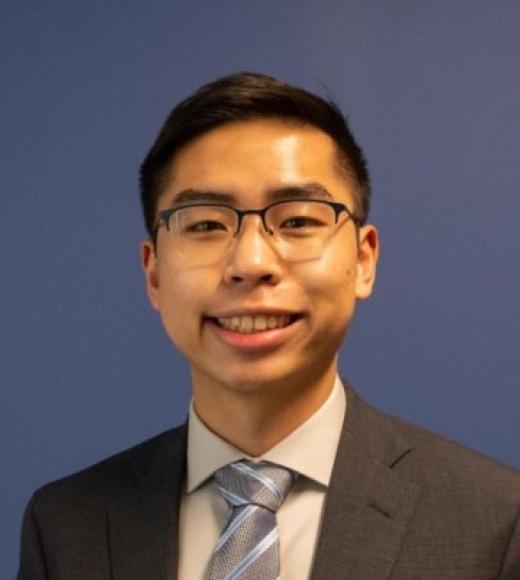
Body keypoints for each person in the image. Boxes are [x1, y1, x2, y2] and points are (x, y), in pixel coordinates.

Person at [18, 72, 520, 580]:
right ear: (154, 273)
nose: (252, 261)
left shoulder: (496, 521)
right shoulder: (65, 525)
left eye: (298, 220)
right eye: (206, 224)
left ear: (364, 260)